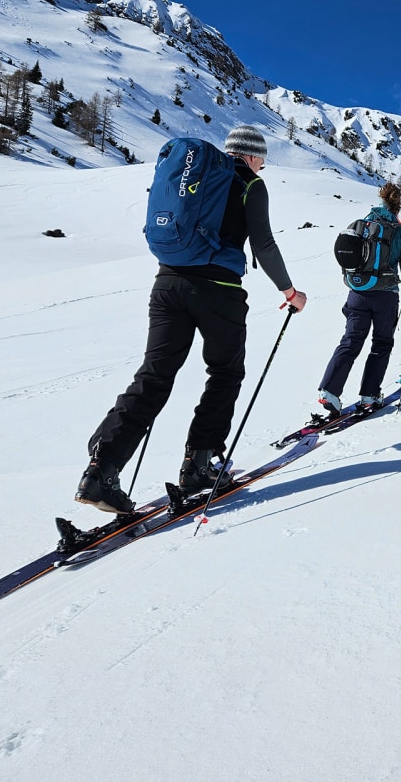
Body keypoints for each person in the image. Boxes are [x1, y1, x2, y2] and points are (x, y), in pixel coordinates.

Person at [74, 125, 307, 514]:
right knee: (225, 372)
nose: (262, 167)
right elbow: (264, 244)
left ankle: (101, 470)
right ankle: (199, 465)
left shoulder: (195, 177)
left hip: (167, 284)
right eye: (262, 161)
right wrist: (289, 292)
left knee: (154, 376)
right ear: (251, 156)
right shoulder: (250, 184)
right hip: (218, 291)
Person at [317, 182, 401, 418]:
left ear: (380, 201)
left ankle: (329, 391)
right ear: (398, 206)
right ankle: (369, 396)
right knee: (381, 344)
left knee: (350, 341)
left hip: (357, 293)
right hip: (385, 296)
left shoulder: (362, 225)